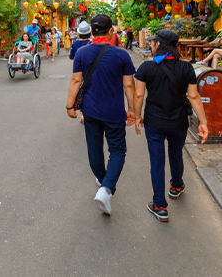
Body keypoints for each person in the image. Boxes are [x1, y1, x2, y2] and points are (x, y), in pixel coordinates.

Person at [133, 30, 209, 223]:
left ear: (160, 45)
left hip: (154, 122)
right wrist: (203, 122)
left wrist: (137, 116)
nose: (150, 44)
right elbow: (193, 96)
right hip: (178, 121)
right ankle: (176, 186)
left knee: (157, 160)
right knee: (175, 153)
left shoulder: (146, 68)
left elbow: (139, 95)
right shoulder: (186, 68)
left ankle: (159, 205)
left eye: (153, 42)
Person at [66, 14, 136, 216]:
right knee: (118, 151)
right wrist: (132, 110)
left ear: (91, 32)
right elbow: (129, 84)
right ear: (111, 31)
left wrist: (70, 107)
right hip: (114, 111)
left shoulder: (82, 53)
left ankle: (103, 180)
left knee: (94, 148)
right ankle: (106, 188)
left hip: (90, 110)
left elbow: (75, 81)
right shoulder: (121, 55)